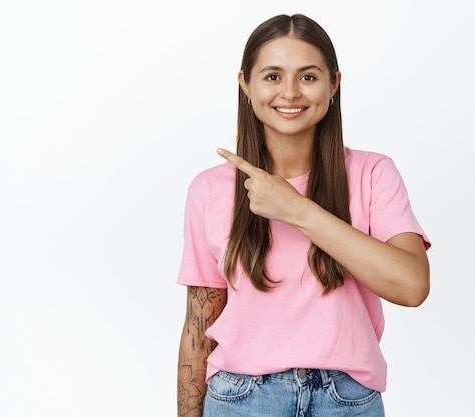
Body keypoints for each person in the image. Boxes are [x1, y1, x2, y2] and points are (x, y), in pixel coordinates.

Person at [176, 13, 431, 417]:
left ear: (334, 84)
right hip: (241, 400)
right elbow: (197, 325)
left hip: (348, 400)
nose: (290, 93)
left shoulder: (372, 173)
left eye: (308, 77)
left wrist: (296, 210)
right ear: (245, 84)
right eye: (273, 76)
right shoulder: (209, 189)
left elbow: (412, 286)